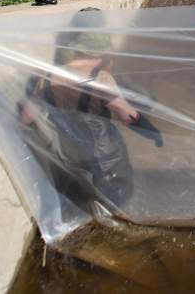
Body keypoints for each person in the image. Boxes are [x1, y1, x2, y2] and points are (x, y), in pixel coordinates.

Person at [19, 24, 140, 217]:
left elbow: (26, 118)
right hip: (105, 156)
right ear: (99, 53)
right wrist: (141, 114)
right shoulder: (102, 78)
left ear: (76, 49)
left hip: (72, 156)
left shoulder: (48, 77)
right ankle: (115, 221)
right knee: (116, 198)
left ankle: (92, 218)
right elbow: (126, 116)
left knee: (86, 197)